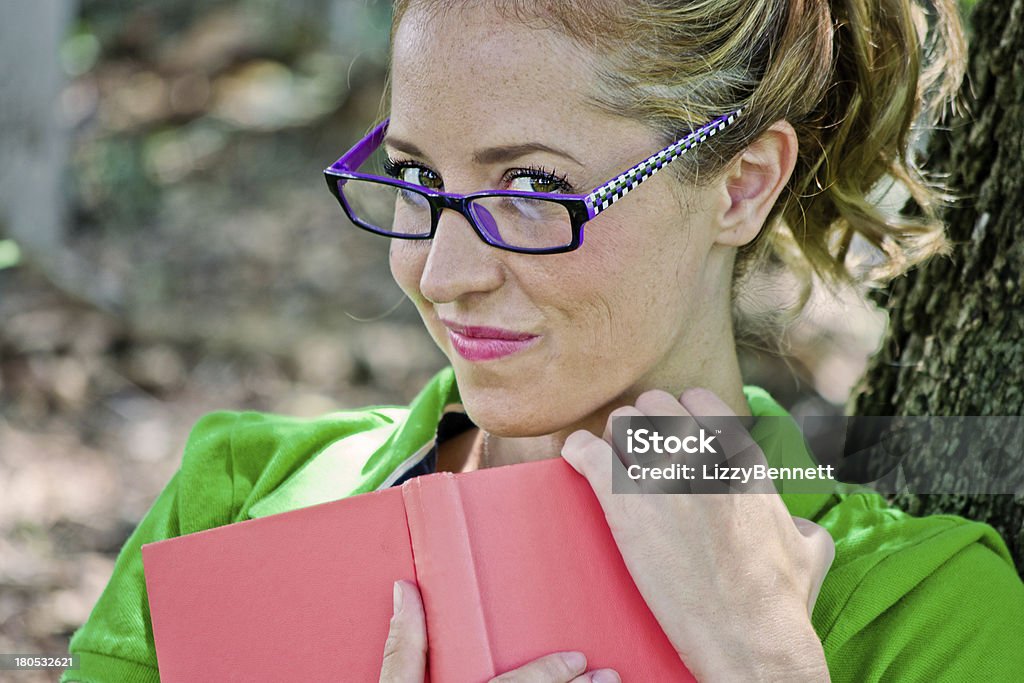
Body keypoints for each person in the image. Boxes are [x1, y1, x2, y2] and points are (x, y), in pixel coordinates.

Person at [63, 0, 1024, 681]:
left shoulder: (921, 613)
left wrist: (763, 664)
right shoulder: (234, 505)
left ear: (740, 183)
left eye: (532, 189)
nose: (440, 275)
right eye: (418, 179)